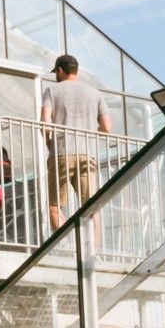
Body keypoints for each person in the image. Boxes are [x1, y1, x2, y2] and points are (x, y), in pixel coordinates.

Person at [39, 53, 111, 230]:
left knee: (55, 205)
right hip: (87, 154)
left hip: (61, 152)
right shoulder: (95, 93)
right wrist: (92, 132)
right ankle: (93, 250)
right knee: (91, 207)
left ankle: (66, 245)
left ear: (60, 71)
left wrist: (49, 140)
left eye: (56, 72)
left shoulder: (51, 91)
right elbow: (107, 127)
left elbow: (45, 122)